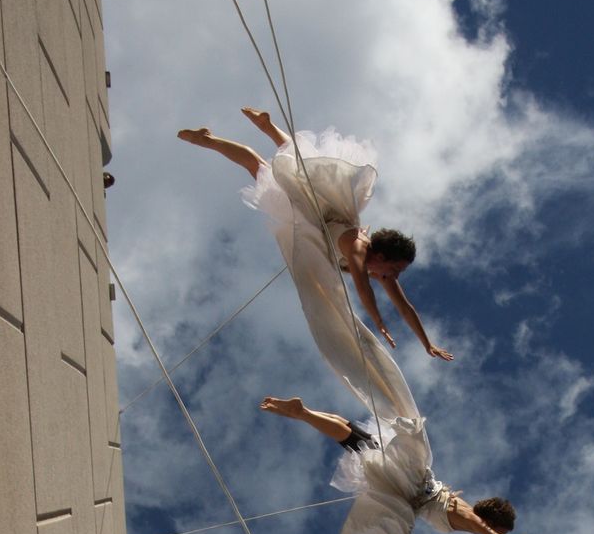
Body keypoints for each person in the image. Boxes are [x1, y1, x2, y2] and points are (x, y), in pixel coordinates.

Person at [178, 108, 453, 362]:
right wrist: (378, 321)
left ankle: (267, 126)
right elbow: (362, 287)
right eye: (395, 269)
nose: (395, 276)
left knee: (298, 165)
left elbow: (405, 308)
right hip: (314, 213)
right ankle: (208, 139)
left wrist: (427, 344)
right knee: (262, 167)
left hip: (318, 216)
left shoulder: (381, 273)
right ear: (380, 256)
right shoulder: (357, 248)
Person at [260, 396, 563, 534]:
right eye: (498, 530)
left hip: (417, 478)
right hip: (409, 484)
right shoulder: (473, 521)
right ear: (492, 522)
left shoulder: (467, 511)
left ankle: (304, 411)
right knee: (355, 442)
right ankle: (303, 413)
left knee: (356, 435)